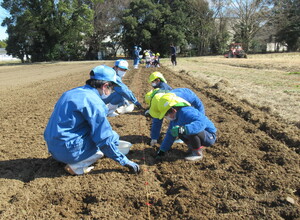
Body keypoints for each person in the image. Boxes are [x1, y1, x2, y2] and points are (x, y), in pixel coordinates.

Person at [44, 65, 140, 175]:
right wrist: (125, 161)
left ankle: (72, 157)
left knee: (109, 136)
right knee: (107, 142)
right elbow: (104, 139)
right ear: (105, 86)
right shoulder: (95, 103)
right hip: (68, 151)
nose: (112, 90)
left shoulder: (71, 93)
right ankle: (77, 167)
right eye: (112, 87)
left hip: (53, 147)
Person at [150, 93, 217, 161]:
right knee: (176, 131)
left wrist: (184, 129)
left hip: (209, 136)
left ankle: (198, 153)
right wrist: (162, 151)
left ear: (173, 110)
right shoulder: (174, 119)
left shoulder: (186, 112)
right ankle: (193, 148)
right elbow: (170, 135)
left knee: (188, 131)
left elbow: (201, 123)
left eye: (167, 114)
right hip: (200, 135)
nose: (167, 117)